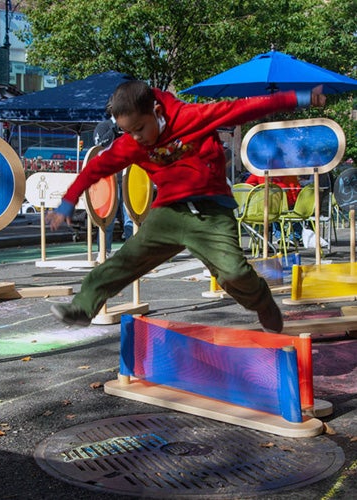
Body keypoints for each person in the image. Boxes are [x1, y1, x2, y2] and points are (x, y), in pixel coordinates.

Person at [47, 80, 325, 332]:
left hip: (211, 212)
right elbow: (96, 168)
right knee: (125, 261)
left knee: (234, 274)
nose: (137, 138)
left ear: (156, 110)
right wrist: (69, 200)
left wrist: (301, 97)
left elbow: (244, 108)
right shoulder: (131, 143)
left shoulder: (192, 117)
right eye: (128, 132)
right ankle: (83, 306)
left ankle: (263, 302)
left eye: (140, 128)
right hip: (168, 213)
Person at [93, 116, 133, 257]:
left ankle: (131, 251)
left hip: (127, 177)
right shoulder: (104, 126)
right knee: (106, 217)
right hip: (109, 179)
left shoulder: (130, 126)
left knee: (130, 216)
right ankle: (104, 250)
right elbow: (99, 145)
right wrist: (114, 129)